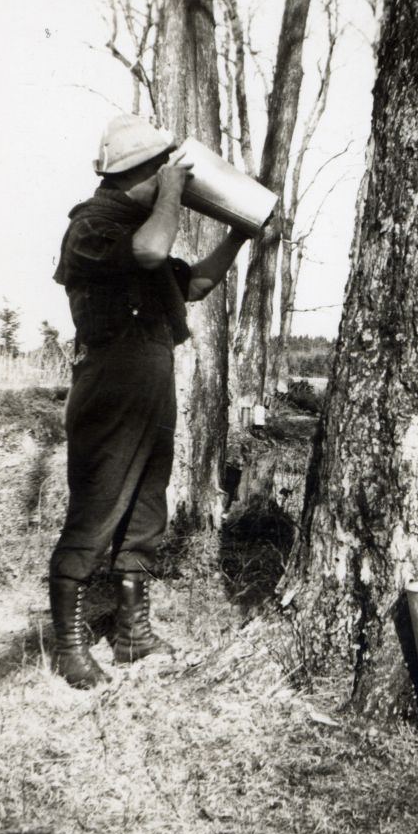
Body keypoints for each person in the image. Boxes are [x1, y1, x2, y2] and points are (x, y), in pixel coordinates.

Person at [50, 114, 247, 689]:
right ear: (133, 176)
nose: (171, 182)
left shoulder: (140, 230)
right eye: (160, 173)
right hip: (110, 380)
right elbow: (151, 251)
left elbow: (198, 283)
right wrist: (170, 196)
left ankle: (134, 634)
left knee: (144, 507)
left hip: (151, 375)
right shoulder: (94, 226)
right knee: (98, 504)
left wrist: (237, 232)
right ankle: (70, 645)